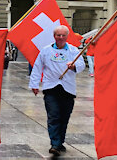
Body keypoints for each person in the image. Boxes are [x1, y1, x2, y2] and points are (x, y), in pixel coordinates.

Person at [29, 25, 85, 156]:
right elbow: (37, 67)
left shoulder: (73, 50)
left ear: (67, 36)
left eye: (63, 35)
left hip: (68, 89)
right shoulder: (45, 51)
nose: (60, 38)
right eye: (58, 35)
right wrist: (34, 84)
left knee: (64, 117)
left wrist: (74, 66)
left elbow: (81, 64)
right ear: (54, 36)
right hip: (51, 88)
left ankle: (60, 142)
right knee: (53, 116)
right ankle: (55, 144)